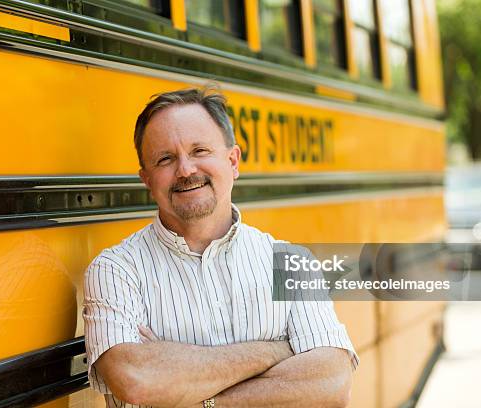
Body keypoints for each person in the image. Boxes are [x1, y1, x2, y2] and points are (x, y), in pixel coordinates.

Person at [83, 87, 359, 408]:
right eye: (165, 159)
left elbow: (333, 385)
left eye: (200, 150)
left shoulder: (291, 261)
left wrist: (199, 397)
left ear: (233, 161)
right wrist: (279, 350)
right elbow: (137, 380)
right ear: (147, 179)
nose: (186, 169)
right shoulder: (115, 271)